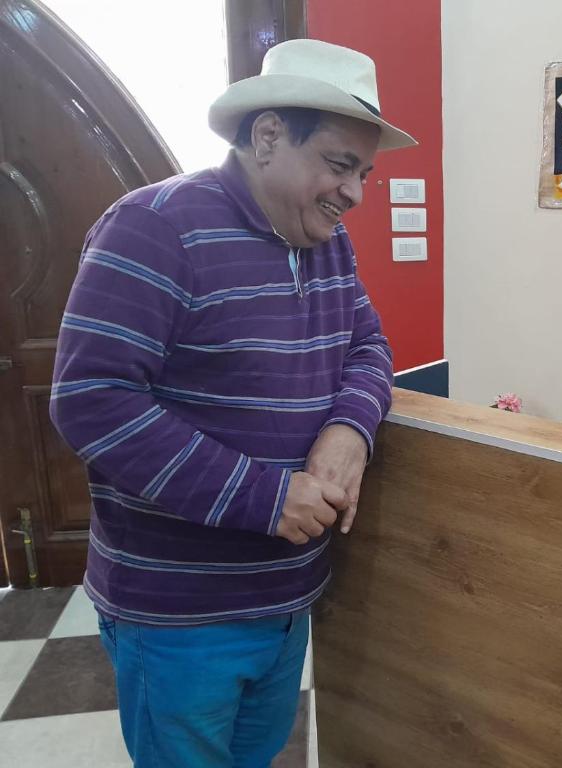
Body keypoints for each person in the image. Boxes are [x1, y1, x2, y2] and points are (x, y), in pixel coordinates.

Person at [49, 40, 415, 766]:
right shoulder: (153, 227)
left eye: (364, 174)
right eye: (341, 165)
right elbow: (91, 400)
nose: (356, 193)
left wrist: (350, 428)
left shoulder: (329, 246)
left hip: (286, 601)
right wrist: (265, 498)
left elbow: (370, 348)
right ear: (268, 136)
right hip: (178, 618)